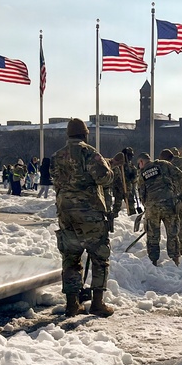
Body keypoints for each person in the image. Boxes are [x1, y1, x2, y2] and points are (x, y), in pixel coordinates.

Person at [50, 118, 115, 317]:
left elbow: (55, 178)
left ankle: (72, 304)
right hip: (90, 214)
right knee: (98, 257)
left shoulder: (57, 156)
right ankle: (97, 303)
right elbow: (104, 178)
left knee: (70, 258)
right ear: (85, 134)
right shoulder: (90, 153)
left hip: (66, 213)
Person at [136, 152, 182, 266]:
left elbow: (141, 193)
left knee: (153, 236)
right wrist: (176, 193)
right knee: (172, 234)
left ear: (141, 162)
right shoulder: (164, 164)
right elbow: (180, 176)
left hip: (152, 208)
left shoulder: (142, 174)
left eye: (139, 164)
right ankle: (175, 259)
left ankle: (153, 261)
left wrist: (147, 205)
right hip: (169, 204)